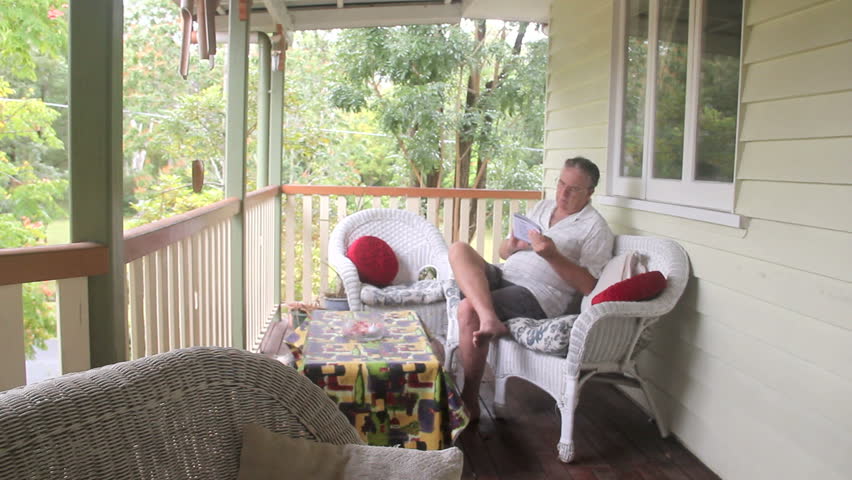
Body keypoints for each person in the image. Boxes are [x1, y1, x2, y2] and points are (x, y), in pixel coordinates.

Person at [448, 157, 614, 420]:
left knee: (468, 309)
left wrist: (552, 256)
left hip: (538, 295)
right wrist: (513, 245)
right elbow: (503, 251)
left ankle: (469, 399)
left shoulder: (596, 228)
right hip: (506, 274)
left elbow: (589, 285)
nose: (563, 193)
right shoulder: (543, 207)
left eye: (573, 189)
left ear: (590, 193)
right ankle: (490, 317)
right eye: (561, 183)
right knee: (459, 248)